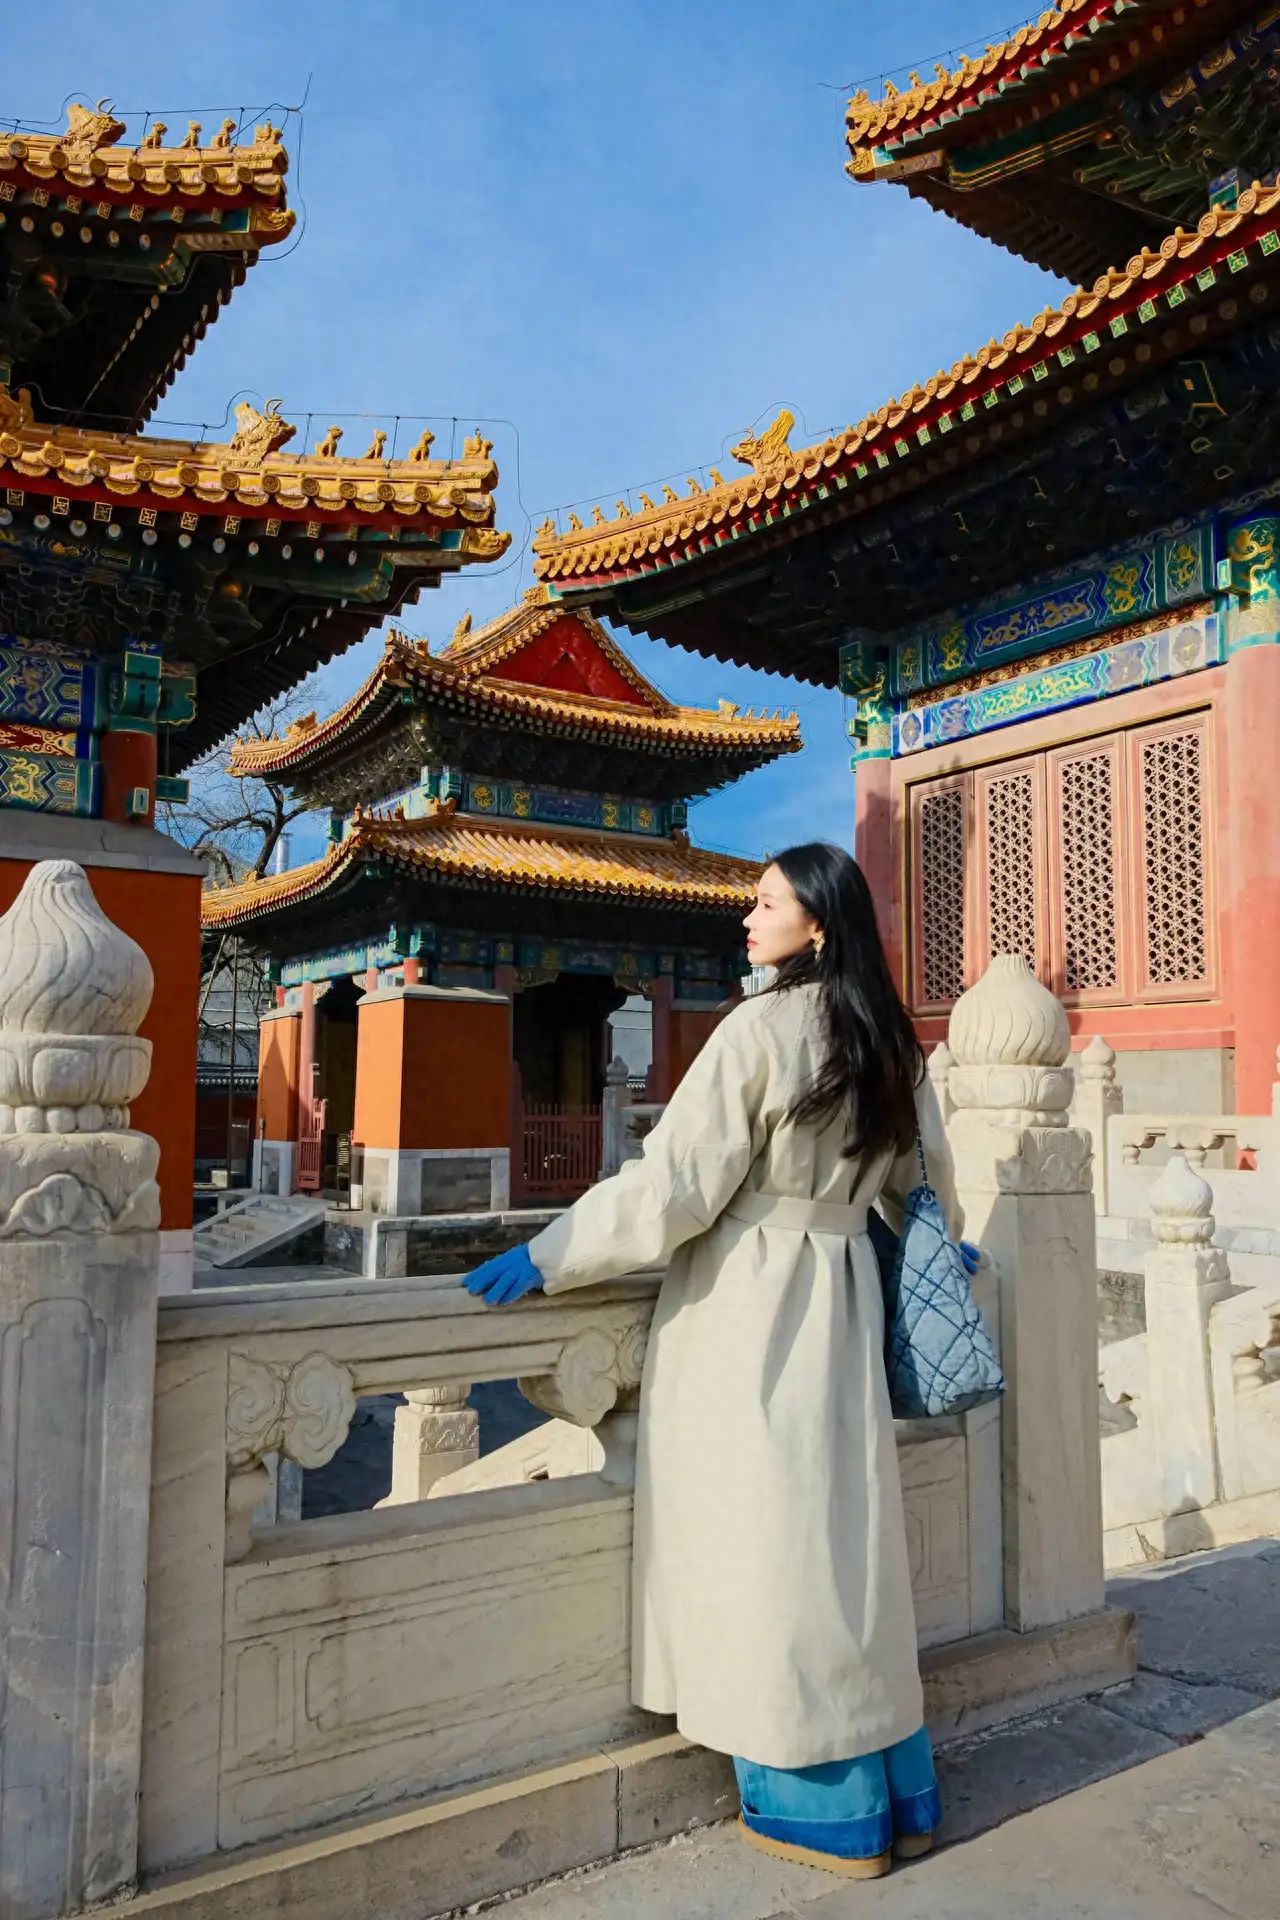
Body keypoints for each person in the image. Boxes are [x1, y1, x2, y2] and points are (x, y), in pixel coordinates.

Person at [464, 842, 973, 1877]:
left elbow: (674, 1192)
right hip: (839, 1300)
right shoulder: (887, 1042)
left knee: (763, 1546)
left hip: (748, 1306)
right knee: (841, 1540)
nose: (747, 917)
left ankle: (815, 1796)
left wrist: (549, 1251)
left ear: (817, 923)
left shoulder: (759, 1031)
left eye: (766, 902)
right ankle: (895, 1779)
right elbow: (919, 1195)